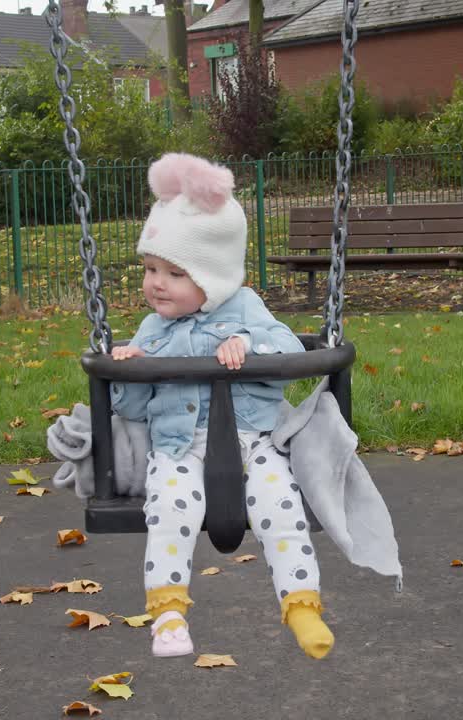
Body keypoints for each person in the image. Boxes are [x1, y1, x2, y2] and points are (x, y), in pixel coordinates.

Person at [110, 152, 334, 661]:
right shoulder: (150, 330)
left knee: (281, 505)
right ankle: (167, 614)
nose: (155, 283)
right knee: (168, 507)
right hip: (177, 446)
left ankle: (302, 606)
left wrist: (247, 346)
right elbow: (132, 408)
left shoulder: (247, 307)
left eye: (173, 271)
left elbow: (292, 352)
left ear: (211, 277)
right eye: (150, 268)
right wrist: (131, 366)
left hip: (252, 440)